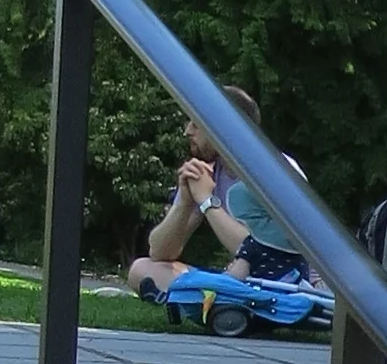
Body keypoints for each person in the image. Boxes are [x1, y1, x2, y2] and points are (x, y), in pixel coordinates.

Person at [126, 86, 311, 297]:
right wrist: (185, 203)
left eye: (196, 124)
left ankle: (209, 298)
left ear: (225, 127)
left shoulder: (276, 172)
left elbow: (267, 254)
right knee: (142, 270)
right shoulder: (208, 171)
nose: (187, 131)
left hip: (287, 284)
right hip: (241, 278)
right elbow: (159, 252)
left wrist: (206, 201)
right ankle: (217, 298)